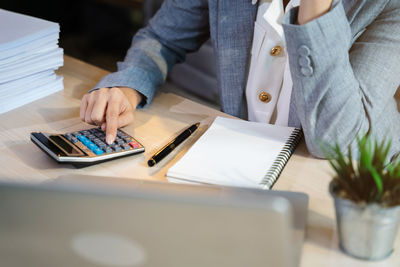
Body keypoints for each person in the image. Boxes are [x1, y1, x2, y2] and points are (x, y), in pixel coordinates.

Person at [80, 0, 400, 159]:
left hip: (351, 193)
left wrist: (316, 10)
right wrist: (128, 85)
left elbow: (338, 144)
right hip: (240, 165)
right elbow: (164, 37)